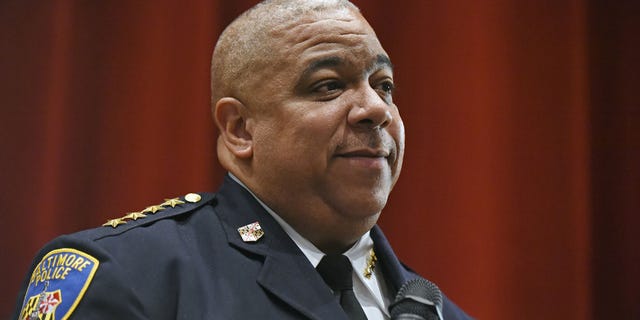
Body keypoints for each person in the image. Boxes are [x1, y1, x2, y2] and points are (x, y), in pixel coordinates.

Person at [12, 0, 473, 319]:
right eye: (329, 85)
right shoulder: (131, 277)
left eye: (384, 85)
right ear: (240, 129)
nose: (375, 108)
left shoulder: (436, 312)